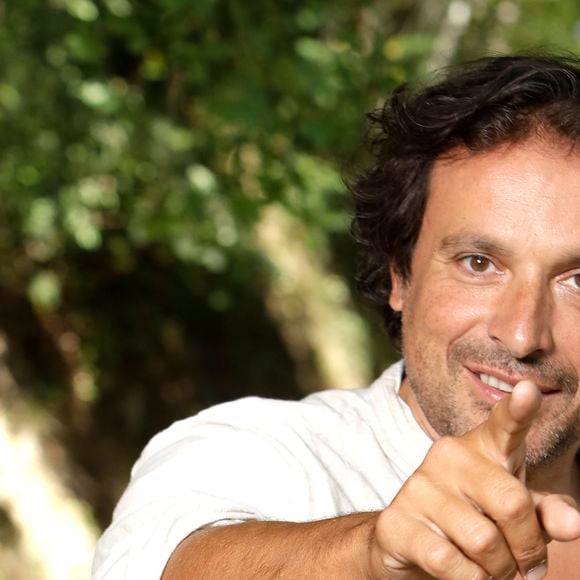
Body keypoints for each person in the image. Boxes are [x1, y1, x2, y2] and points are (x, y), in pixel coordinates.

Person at [93, 54, 580, 580]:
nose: (523, 334)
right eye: (477, 263)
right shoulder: (258, 453)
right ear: (400, 275)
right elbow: (164, 561)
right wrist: (371, 555)